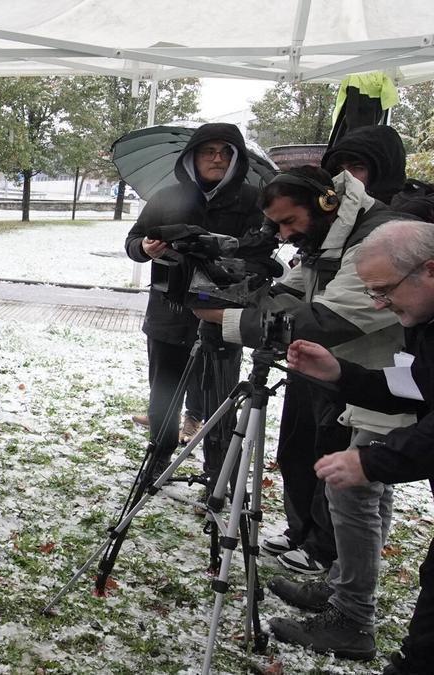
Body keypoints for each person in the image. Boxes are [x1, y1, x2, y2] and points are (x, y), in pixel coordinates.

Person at [194, 170, 412, 659]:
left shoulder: (373, 240)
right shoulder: (332, 236)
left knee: (353, 492)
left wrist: (226, 320)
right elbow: (292, 294)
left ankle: (353, 617)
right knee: (361, 494)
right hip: (366, 379)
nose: (285, 235)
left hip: (385, 379)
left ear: (326, 201)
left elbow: (326, 319)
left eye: (289, 222)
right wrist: (240, 289)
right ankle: (342, 585)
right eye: (278, 227)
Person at [286, 220, 434, 673]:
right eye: (373, 292)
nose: (379, 304)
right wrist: (339, 374)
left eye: (385, 290)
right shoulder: (425, 318)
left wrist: (373, 460)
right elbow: (417, 389)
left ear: (430, 270)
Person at [124, 122, 261, 479]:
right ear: (193, 157)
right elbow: (133, 241)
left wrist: (228, 253)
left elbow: (262, 252)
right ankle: (157, 462)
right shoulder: (167, 196)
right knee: (163, 396)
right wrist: (145, 248)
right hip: (168, 315)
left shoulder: (251, 201)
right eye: (208, 152)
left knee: (219, 400)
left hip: (221, 316)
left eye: (225, 153)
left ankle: (218, 477)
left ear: (236, 159)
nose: (217, 159)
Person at [321, 125, 407, 206]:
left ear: (385, 171)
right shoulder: (336, 204)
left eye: (357, 168)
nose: (343, 176)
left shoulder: (404, 214)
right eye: (340, 168)